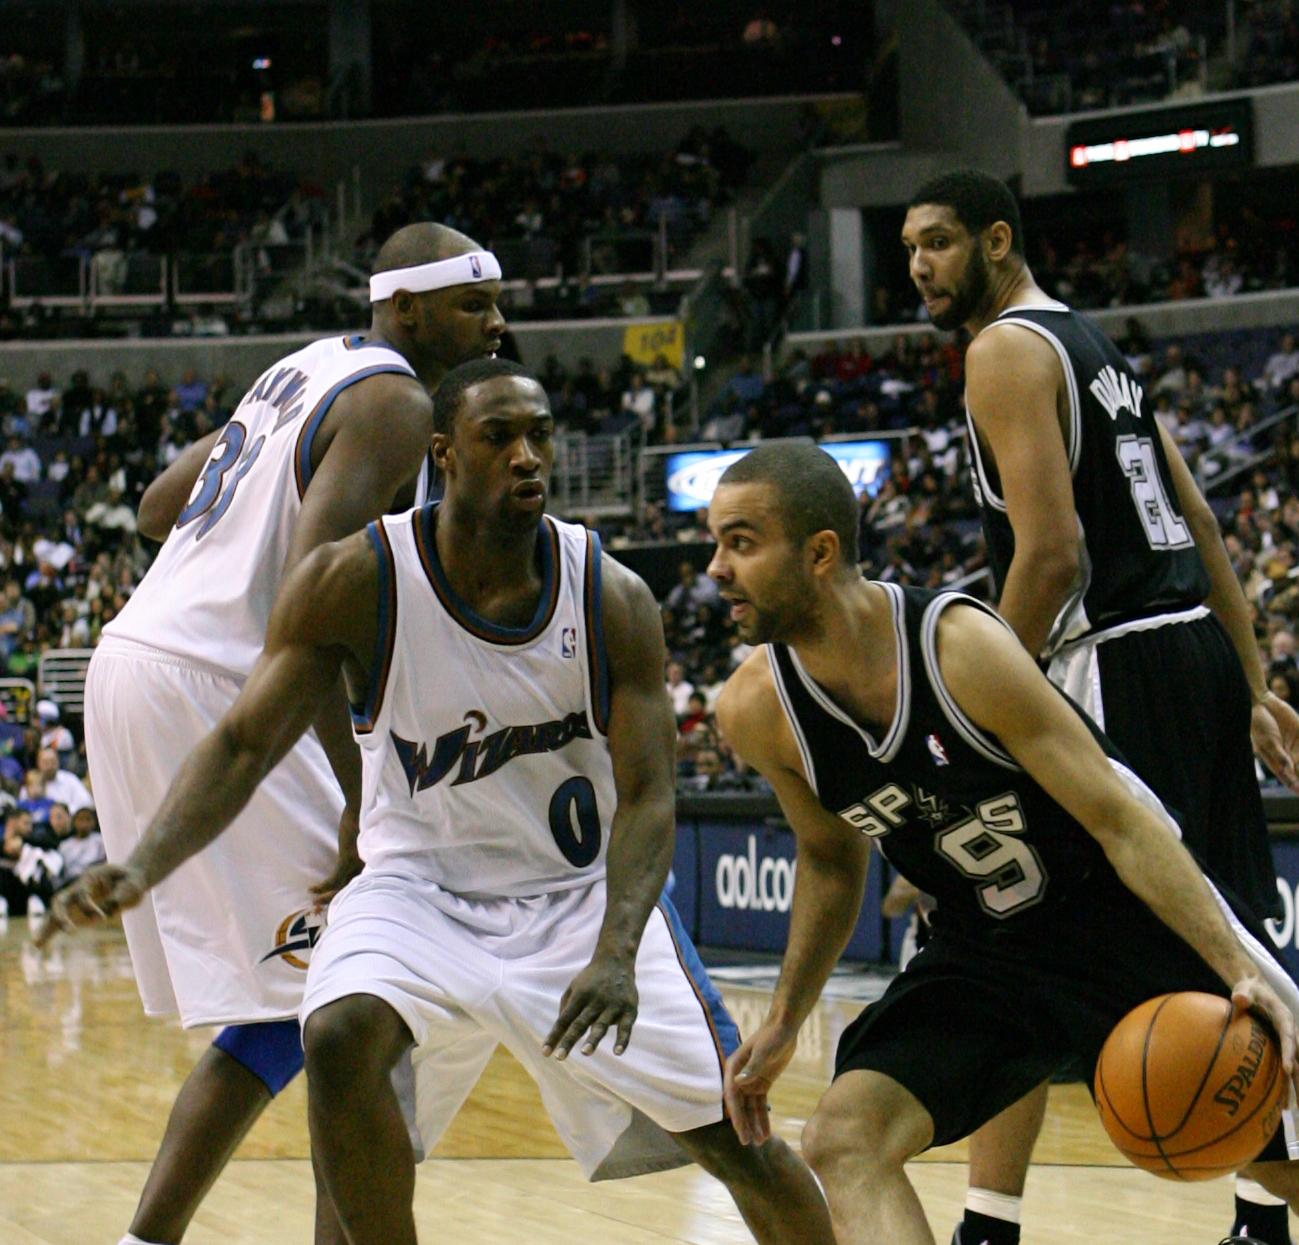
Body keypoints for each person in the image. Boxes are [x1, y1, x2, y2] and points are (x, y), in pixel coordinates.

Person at [46, 360, 835, 1245]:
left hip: (572, 894)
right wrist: (144, 862)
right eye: (499, 436)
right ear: (443, 454)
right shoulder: (357, 579)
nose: (528, 456)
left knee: (741, 1135)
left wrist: (616, 948)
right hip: (415, 889)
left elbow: (651, 796)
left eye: (539, 434)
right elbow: (242, 743)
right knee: (336, 1031)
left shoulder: (610, 595)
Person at [703, 440, 1299, 1245]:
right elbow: (832, 859)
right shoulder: (755, 710)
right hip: (988, 947)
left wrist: (1238, 967)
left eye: (741, 541)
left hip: (1114, 920)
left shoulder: (959, 648)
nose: (716, 569)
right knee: (844, 1136)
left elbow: (1120, 818)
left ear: (821, 552)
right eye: (715, 543)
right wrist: (786, 1018)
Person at [902, 168, 1299, 1245]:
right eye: (908, 246)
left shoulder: (1003, 350)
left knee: (1006, 932)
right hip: (1184, 655)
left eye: (938, 243)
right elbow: (1193, 518)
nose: (917, 265)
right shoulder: (1093, 349)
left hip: (1107, 665)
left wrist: (975, 704)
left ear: (997, 241)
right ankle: (1254, 1222)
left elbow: (1051, 553)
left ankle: (989, 1225)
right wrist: (1248, 687)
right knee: (1227, 944)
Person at [74, 222, 505, 1245]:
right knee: (375, 998)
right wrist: (364, 800)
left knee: (293, 1012)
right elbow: (314, 600)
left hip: (134, 662)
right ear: (404, 309)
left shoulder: (305, 370)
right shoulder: (396, 398)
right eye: (473, 305)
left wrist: (246, 504)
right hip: (210, 684)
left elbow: (153, 505)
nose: (497, 324)